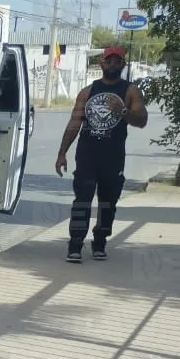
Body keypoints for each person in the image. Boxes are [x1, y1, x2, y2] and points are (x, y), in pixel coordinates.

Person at [55, 45, 148, 262]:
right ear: (101, 63)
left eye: (117, 61)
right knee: (82, 201)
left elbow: (142, 120)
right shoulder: (87, 92)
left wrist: (123, 112)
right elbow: (74, 123)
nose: (113, 64)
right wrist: (62, 153)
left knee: (108, 203)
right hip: (87, 155)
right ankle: (75, 245)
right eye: (109, 60)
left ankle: (100, 242)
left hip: (113, 157)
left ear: (123, 64)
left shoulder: (130, 91)